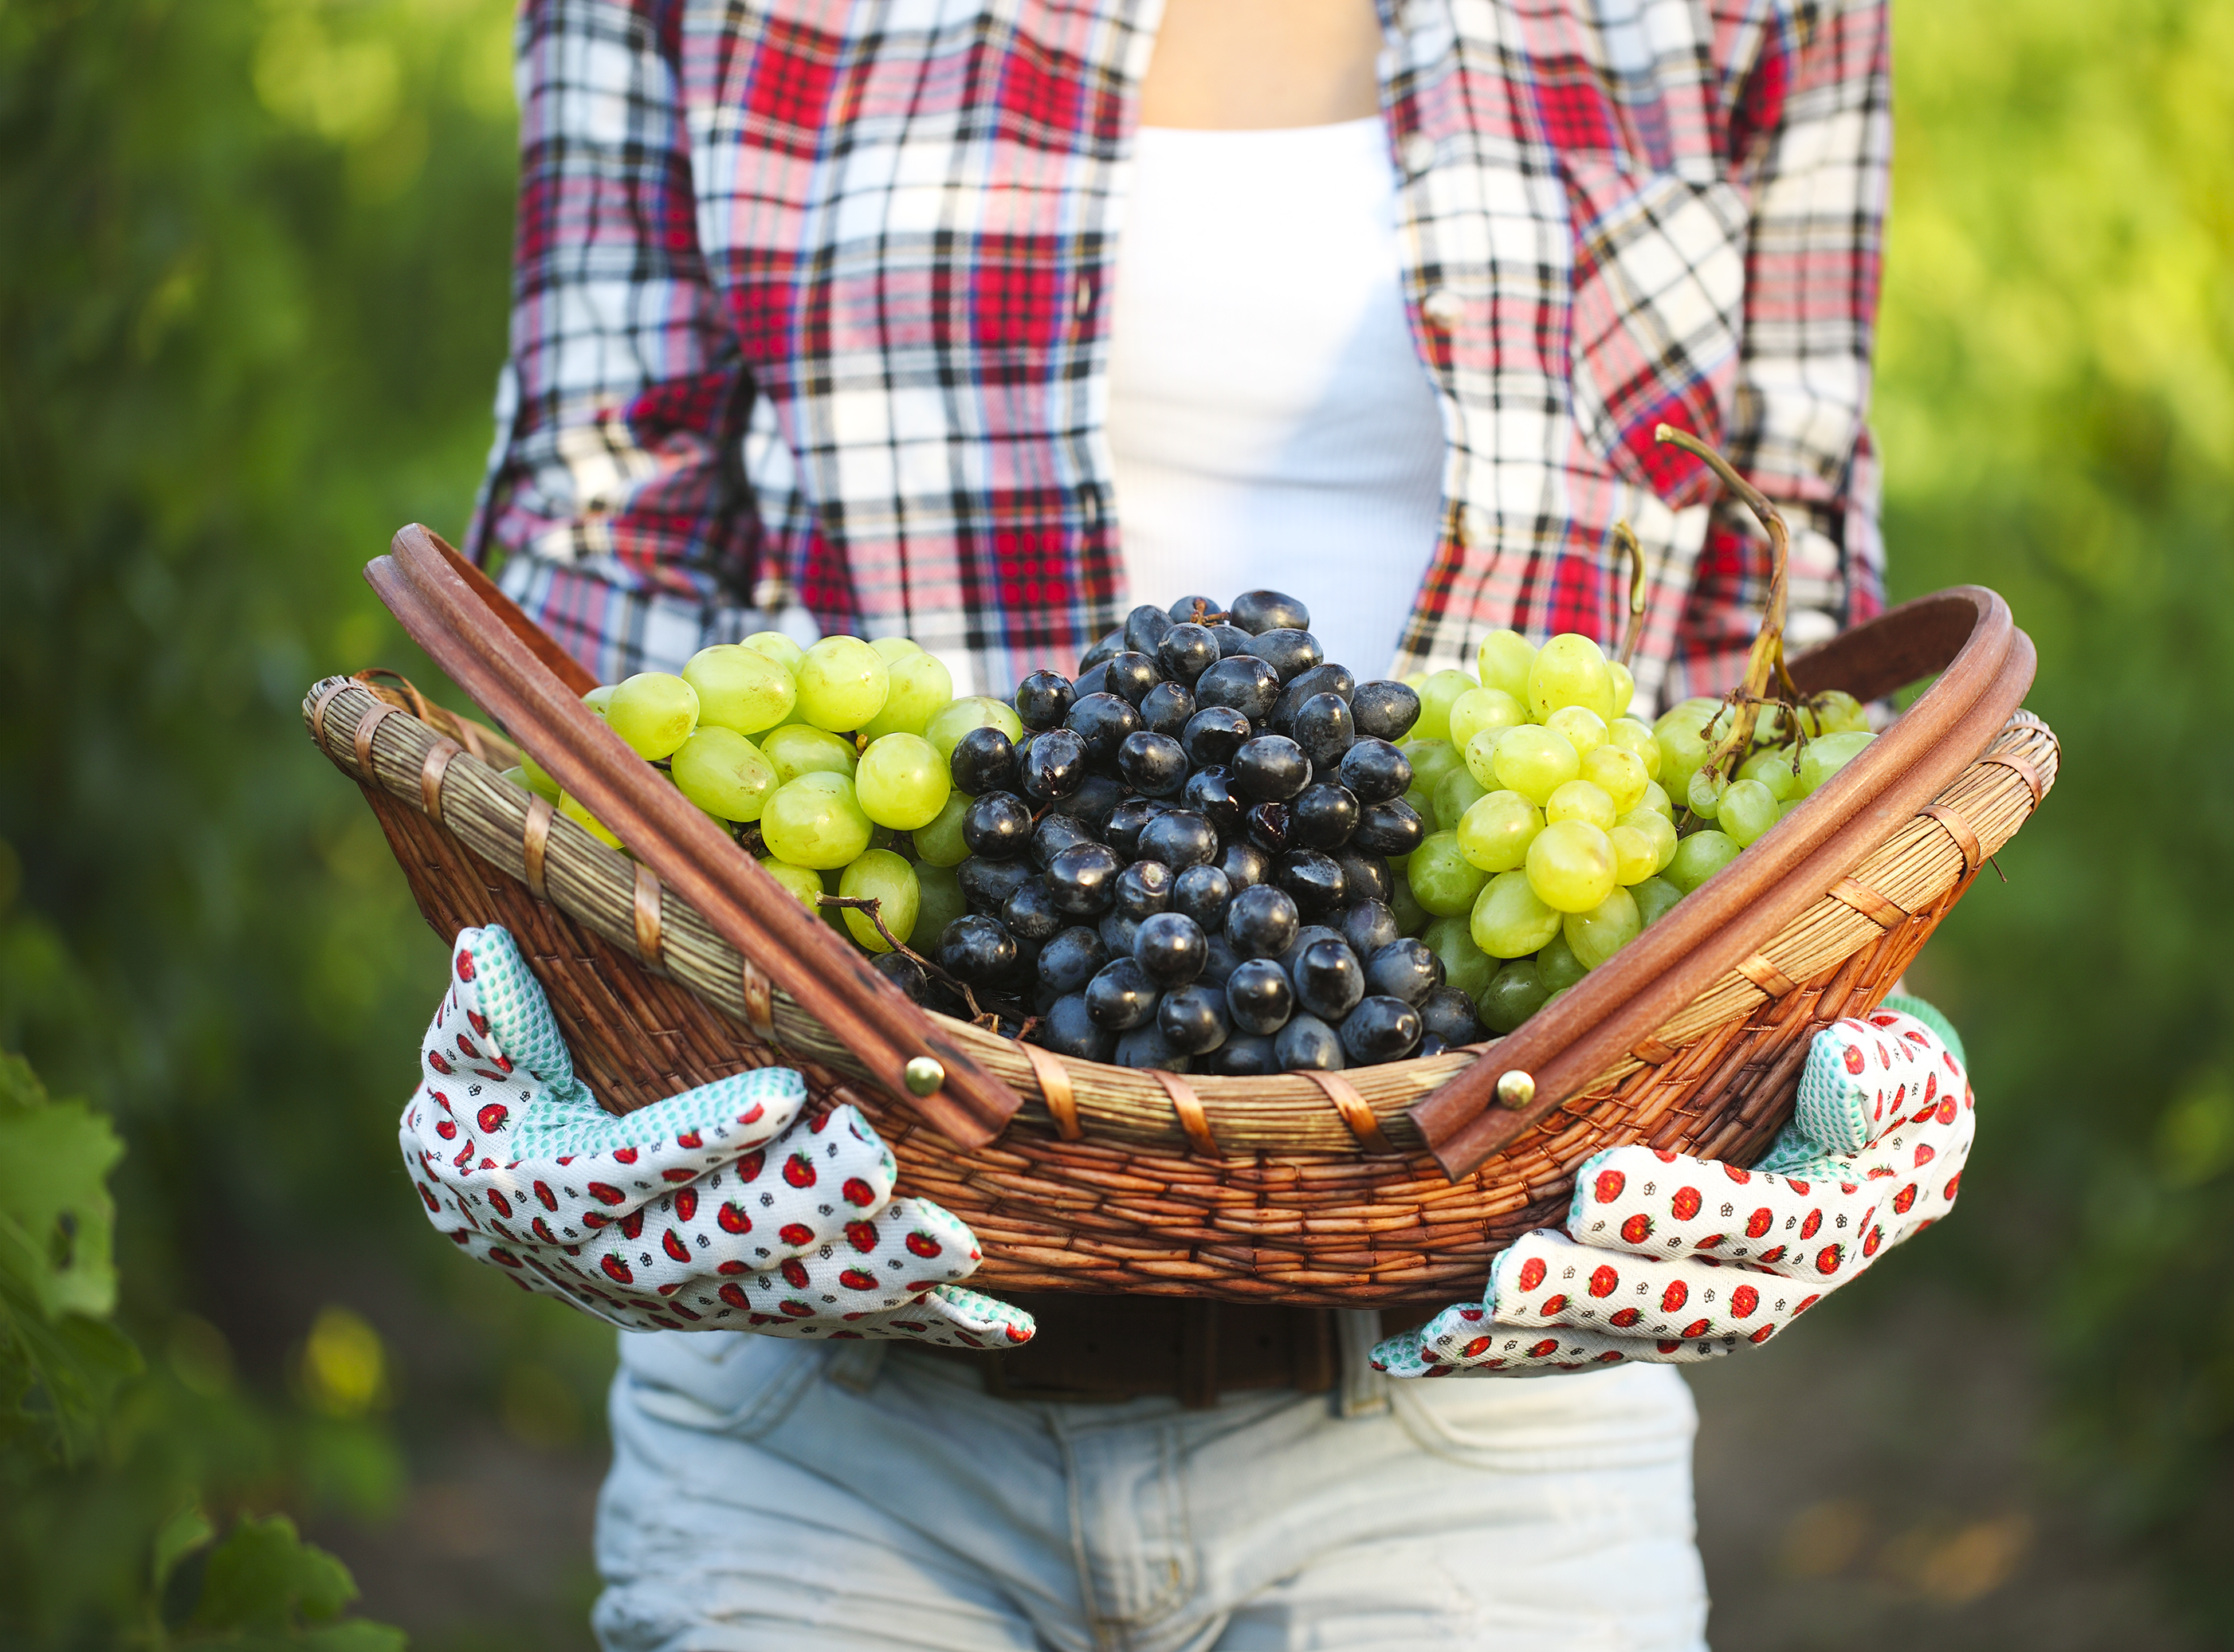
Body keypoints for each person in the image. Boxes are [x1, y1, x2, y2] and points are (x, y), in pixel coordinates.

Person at [426, 1, 1930, 1646]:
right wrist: (569, 1026)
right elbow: (599, 580)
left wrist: (1817, 1024)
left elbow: (1762, 652)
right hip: (828, 1386)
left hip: (1478, 1409)